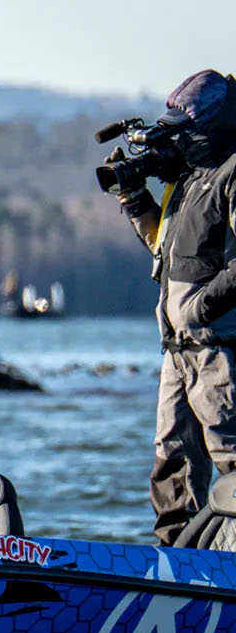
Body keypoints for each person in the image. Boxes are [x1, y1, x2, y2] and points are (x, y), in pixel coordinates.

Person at [109, 69, 236, 544]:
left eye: (182, 132)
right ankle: (175, 561)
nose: (175, 143)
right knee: (173, 458)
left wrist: (203, 308)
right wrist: (133, 197)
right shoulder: (186, 182)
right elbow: (165, 252)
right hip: (178, 350)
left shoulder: (230, 174)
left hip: (218, 347)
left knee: (231, 454)